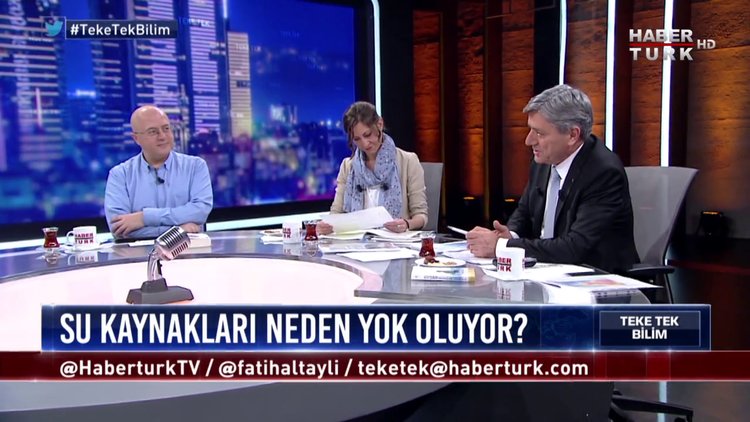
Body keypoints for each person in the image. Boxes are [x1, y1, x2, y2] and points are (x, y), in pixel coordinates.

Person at [466, 85, 638, 273]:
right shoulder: (545, 160)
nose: (529, 141)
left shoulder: (603, 173)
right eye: (531, 130)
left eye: (539, 133)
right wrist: (510, 234)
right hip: (547, 271)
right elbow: (524, 213)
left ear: (572, 135)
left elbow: (575, 247)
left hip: (595, 278)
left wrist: (502, 246)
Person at [317, 102, 428, 235]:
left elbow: (421, 216)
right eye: (357, 139)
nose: (364, 144)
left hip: (396, 242)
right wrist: (326, 226)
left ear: (379, 124)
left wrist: (406, 224)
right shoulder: (348, 166)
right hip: (357, 242)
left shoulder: (408, 161)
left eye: (367, 134)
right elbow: (336, 213)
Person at [104, 105, 213, 239]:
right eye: (153, 132)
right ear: (136, 138)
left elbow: (200, 212)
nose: (162, 136)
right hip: (137, 252)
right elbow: (119, 229)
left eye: (166, 129)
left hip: (189, 250)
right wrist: (179, 231)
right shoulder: (120, 175)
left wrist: (144, 218)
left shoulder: (195, 166)